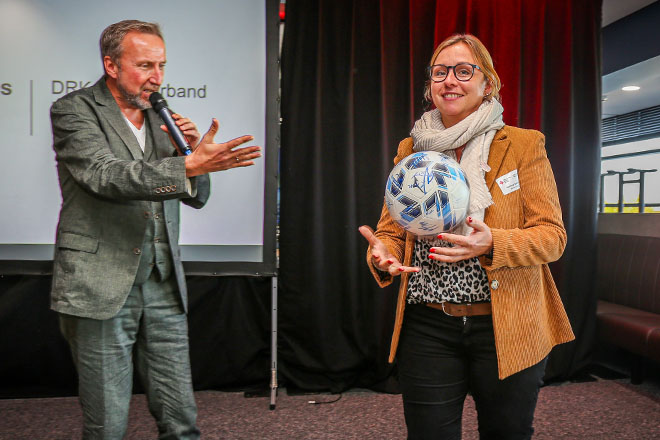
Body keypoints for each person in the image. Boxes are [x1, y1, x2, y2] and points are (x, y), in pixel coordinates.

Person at [50, 20, 261, 439]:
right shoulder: (74, 110)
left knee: (181, 418)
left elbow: (195, 197)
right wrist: (188, 165)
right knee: (108, 423)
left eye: (161, 65)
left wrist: (196, 155)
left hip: (163, 283)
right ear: (110, 64)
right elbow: (105, 175)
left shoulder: (162, 117)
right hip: (101, 282)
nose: (157, 77)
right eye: (145, 65)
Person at [359, 34, 575, 440]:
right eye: (440, 72)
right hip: (428, 324)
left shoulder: (523, 144)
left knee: (507, 433)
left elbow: (552, 236)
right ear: (430, 85)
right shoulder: (412, 148)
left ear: (487, 83)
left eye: (463, 70)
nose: (450, 81)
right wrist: (383, 249)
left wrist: (492, 242)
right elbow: (392, 226)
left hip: (506, 321)